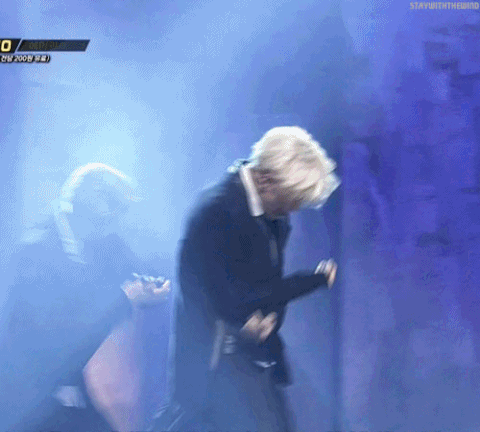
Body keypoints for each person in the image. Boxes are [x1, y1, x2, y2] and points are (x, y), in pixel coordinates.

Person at [150, 126, 340, 432]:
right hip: (215, 367)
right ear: (265, 181)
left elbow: (263, 284)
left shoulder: (272, 214)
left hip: (249, 364)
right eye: (291, 199)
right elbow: (223, 295)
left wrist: (268, 317)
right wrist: (309, 282)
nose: (294, 209)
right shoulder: (216, 212)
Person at [0, 163, 170, 432]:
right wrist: (125, 299)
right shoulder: (35, 254)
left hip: (64, 389)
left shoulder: (93, 240)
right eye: (111, 217)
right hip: (29, 398)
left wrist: (148, 283)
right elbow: (61, 339)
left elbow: (132, 263)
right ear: (92, 210)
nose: (114, 226)